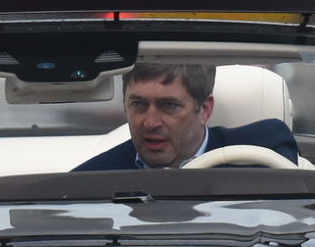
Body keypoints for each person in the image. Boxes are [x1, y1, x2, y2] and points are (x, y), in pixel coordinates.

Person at [72, 62, 301, 172]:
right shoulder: (91, 178)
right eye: (138, 105)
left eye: (169, 105)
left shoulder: (263, 151)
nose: (150, 122)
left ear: (205, 109)